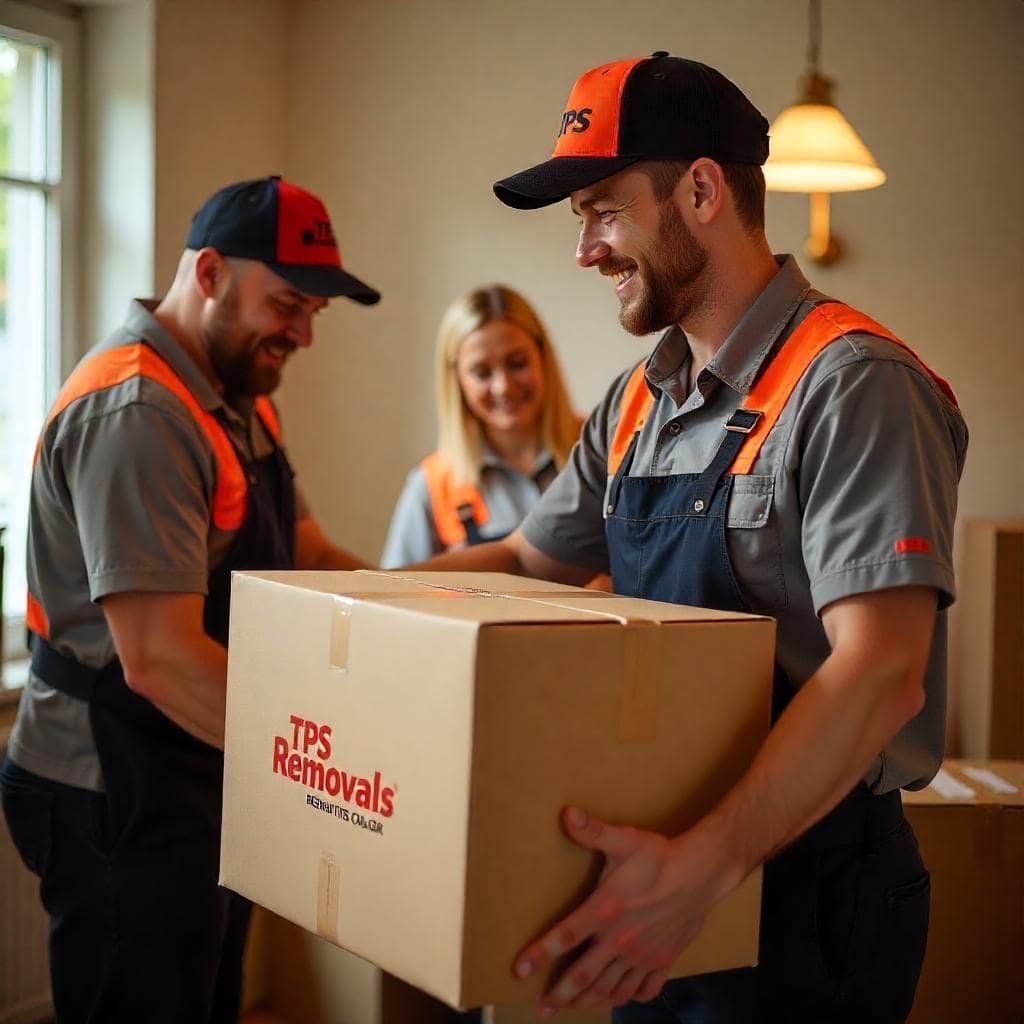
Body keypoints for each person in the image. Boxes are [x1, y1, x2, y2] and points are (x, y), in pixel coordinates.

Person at [409, 53, 968, 1022]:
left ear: (702, 189)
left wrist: (702, 868)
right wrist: (335, 613)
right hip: (659, 870)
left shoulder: (852, 384)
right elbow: (523, 561)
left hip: (804, 890)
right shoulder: (636, 402)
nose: (583, 251)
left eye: (602, 211)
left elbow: (882, 669)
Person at [0, 176, 377, 1023]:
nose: (305, 332)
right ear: (208, 273)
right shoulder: (138, 414)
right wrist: (330, 759)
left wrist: (435, 613)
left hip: (197, 766)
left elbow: (306, 552)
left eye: (316, 309)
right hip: (112, 789)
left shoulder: (236, 399)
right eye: (289, 302)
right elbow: (162, 659)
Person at [380, 284, 581, 567]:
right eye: (482, 373)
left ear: (543, 357)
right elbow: (394, 596)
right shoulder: (432, 485)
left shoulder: (601, 452)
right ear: (457, 381)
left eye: (517, 363)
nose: (503, 387)